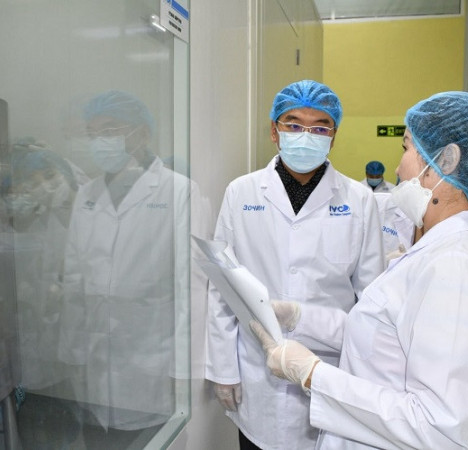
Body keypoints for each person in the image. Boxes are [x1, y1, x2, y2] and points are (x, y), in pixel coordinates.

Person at [251, 91, 468, 449]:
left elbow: (438, 426)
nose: (397, 169)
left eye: (406, 148)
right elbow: (381, 340)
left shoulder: (456, 264)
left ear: (446, 160)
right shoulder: (441, 249)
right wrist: (299, 318)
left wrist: (313, 375)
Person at [205, 80, 386, 450]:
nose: (306, 136)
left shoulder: (359, 200)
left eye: (320, 127)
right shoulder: (241, 192)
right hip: (257, 369)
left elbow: (372, 299)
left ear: (333, 137)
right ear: (274, 131)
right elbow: (222, 287)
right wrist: (223, 369)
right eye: (293, 124)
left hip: (327, 369)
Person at [57, 91, 192, 445]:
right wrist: (72, 352)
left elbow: (189, 289)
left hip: (152, 360)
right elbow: (74, 279)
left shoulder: (179, 191)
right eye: (93, 134)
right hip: (94, 361)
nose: (100, 142)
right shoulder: (87, 194)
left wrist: (182, 368)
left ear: (142, 134)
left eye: (110, 130)